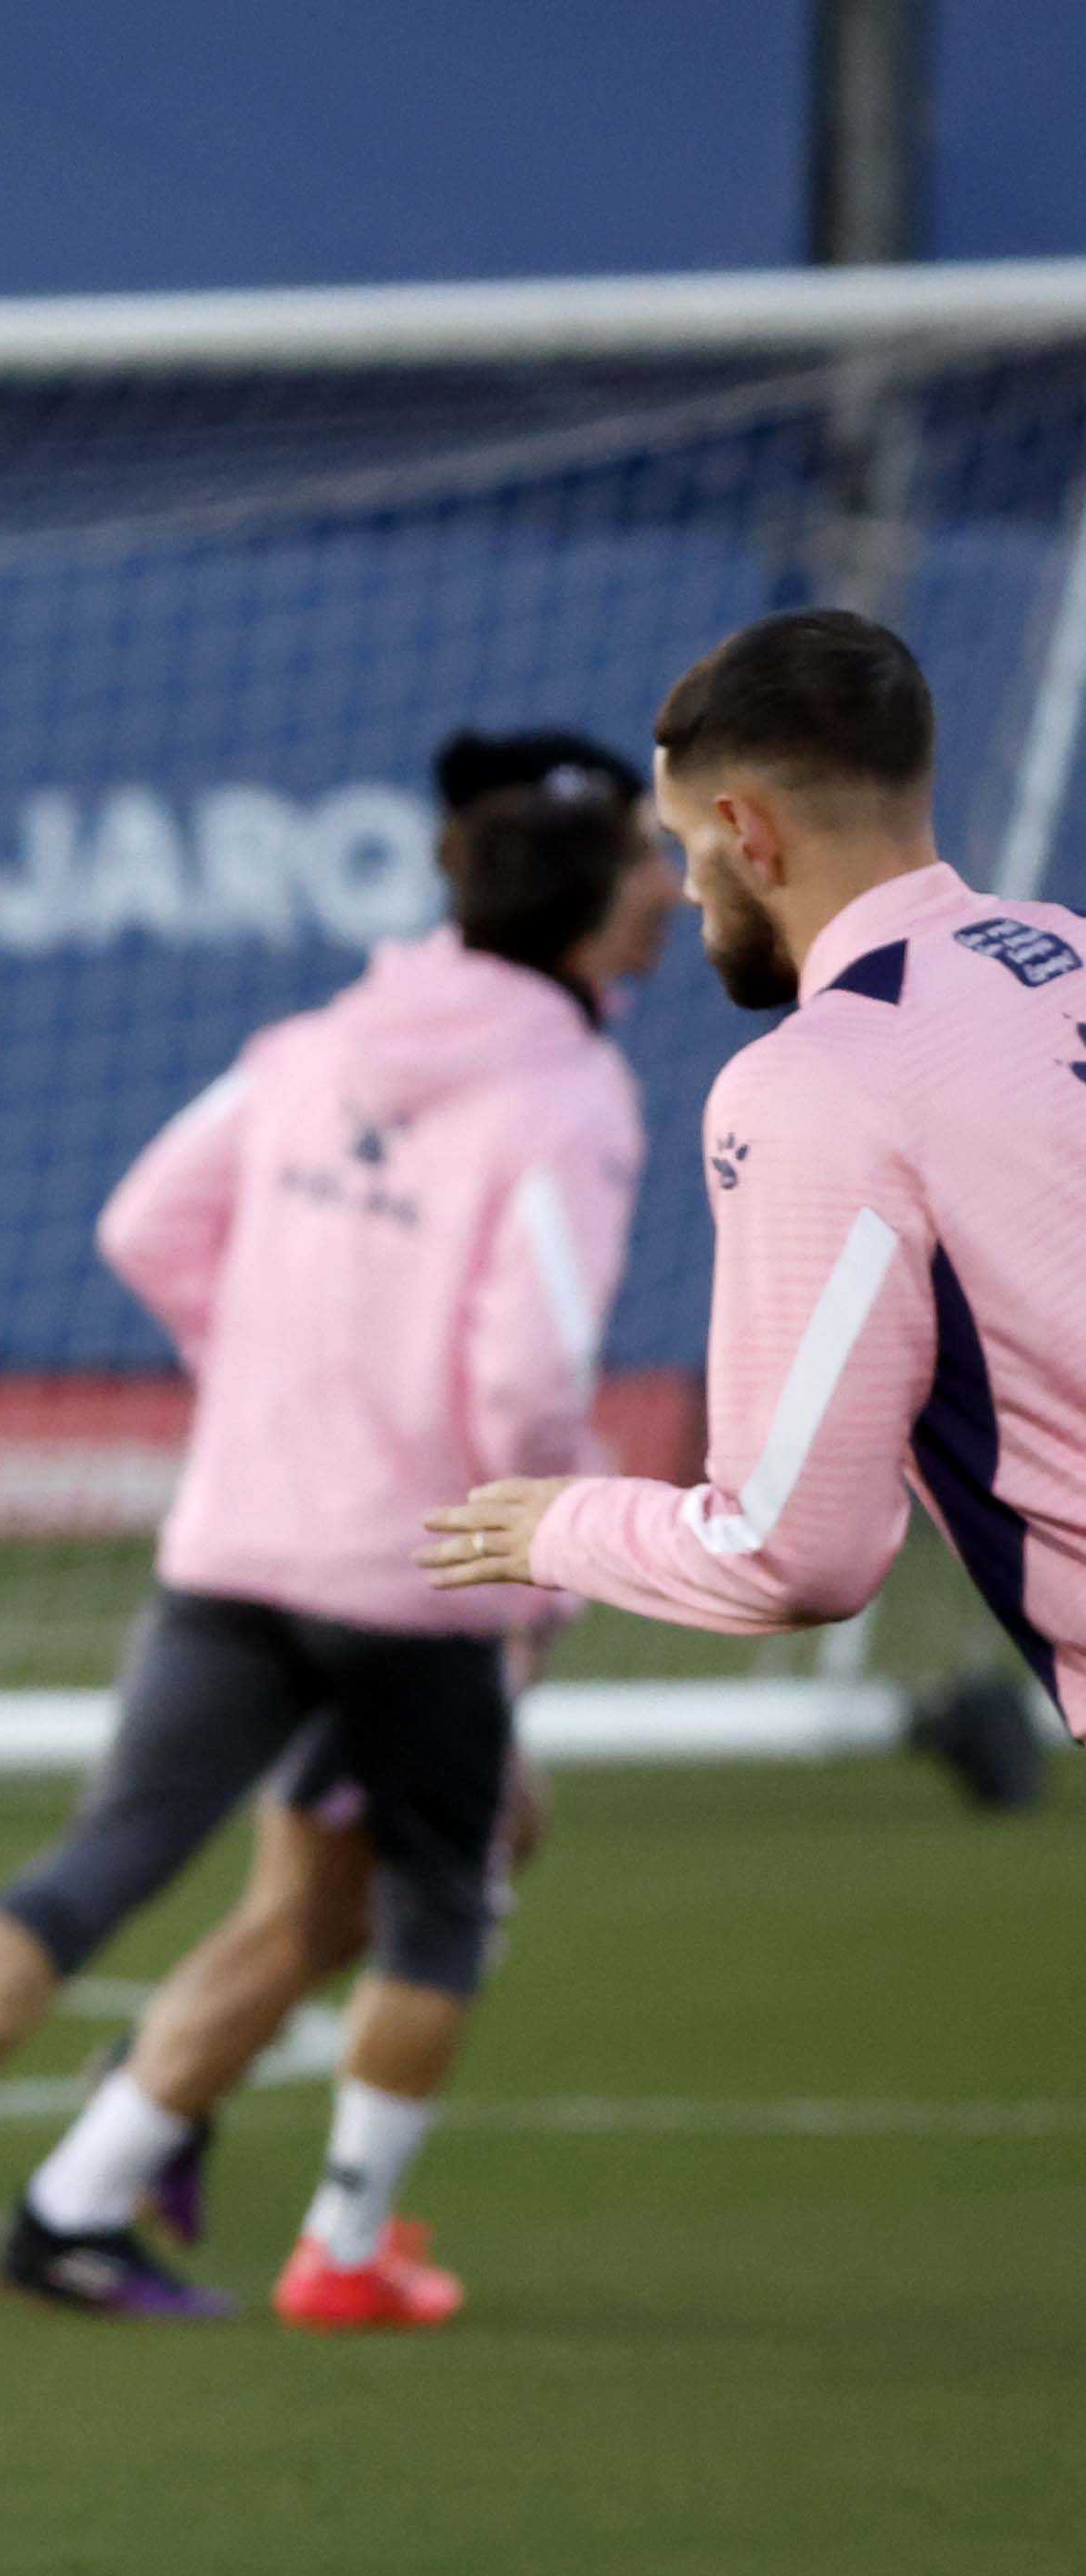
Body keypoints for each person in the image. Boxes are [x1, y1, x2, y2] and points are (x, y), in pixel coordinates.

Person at [0, 727, 680, 2341]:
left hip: (234, 1540)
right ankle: (341, 2245)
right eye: (645, 866)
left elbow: (144, 1224)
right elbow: (524, 1375)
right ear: (578, 907)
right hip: (412, 1573)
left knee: (104, 1862)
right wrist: (535, 1553)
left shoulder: (309, 1044)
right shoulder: (565, 1093)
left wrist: (274, 1385)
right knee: (439, 1897)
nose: (673, 891)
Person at [421, 608, 1086, 1735]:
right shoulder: (1067, 948)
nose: (686, 889)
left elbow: (794, 1550)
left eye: (685, 845)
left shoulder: (818, 1082)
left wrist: (559, 1528)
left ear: (746, 830)